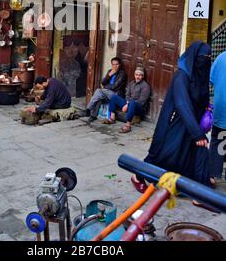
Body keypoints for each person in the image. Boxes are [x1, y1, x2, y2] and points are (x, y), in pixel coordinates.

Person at [131, 42, 213, 210]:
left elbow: (201, 98)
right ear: (194, 58)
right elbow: (183, 105)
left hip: (191, 125)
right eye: (203, 58)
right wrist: (197, 133)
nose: (206, 61)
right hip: (175, 124)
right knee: (164, 156)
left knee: (193, 153)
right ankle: (138, 175)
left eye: (209, 58)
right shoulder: (181, 77)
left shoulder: (199, 76)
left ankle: (199, 190)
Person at [86, 57, 127, 122]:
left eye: (116, 64)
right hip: (107, 93)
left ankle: (88, 109)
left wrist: (105, 87)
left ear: (119, 65)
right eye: (113, 64)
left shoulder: (122, 74)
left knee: (99, 91)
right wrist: (109, 75)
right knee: (98, 97)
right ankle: (92, 116)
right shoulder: (110, 72)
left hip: (115, 94)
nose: (115, 66)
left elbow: (114, 87)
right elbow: (102, 82)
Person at [209, 51, 226, 187]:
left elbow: (211, 80)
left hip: (221, 112)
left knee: (219, 142)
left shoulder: (221, 58)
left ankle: (213, 175)